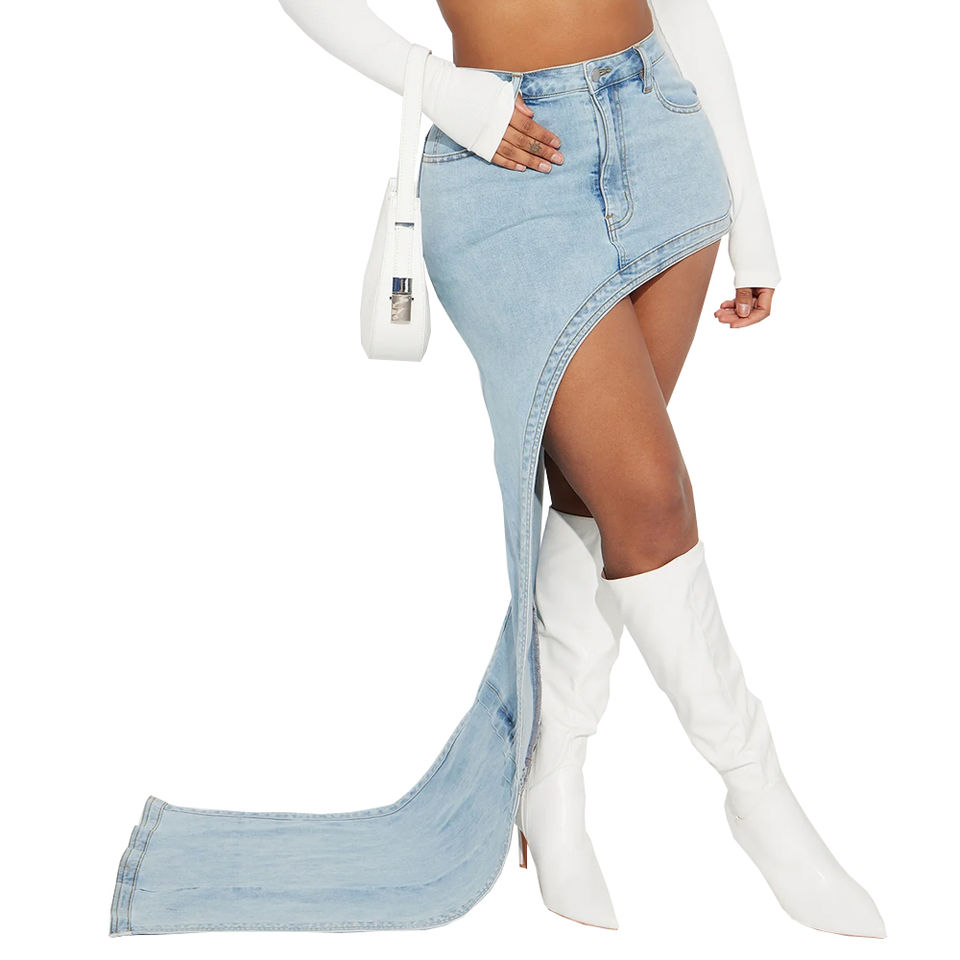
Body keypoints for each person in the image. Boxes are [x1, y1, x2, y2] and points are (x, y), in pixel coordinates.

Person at [108, 1, 886, 938]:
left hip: (664, 129)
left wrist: (752, 220)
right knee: (650, 500)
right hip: (509, 158)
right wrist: (438, 89)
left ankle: (553, 781)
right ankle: (760, 799)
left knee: (599, 503)